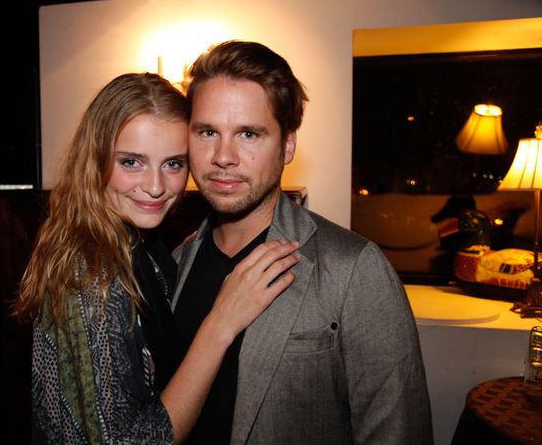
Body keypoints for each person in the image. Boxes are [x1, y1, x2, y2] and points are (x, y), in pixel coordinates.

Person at [12, 72, 301, 444]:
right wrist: (220, 325)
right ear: (94, 159)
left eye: (173, 164)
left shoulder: (141, 247)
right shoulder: (89, 272)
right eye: (131, 162)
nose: (155, 187)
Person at [172, 41, 433, 444]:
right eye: (208, 132)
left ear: (288, 145)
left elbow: (397, 431)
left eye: (248, 134)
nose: (223, 156)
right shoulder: (174, 262)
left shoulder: (353, 268)